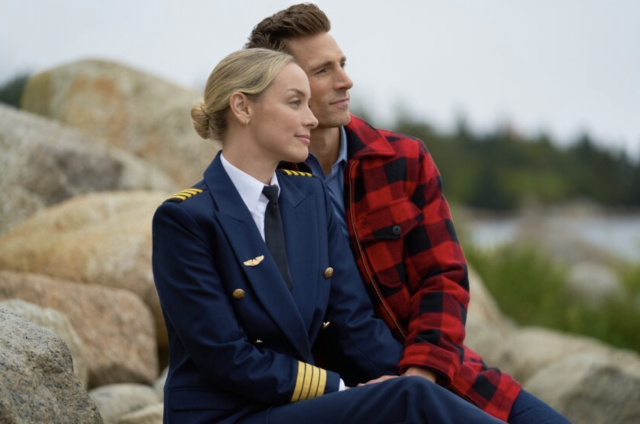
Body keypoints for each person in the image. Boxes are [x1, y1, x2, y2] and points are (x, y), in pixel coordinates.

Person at [245, 4, 573, 424]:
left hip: (432, 369)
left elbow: (443, 279)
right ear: (284, 86)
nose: (346, 80)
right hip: (331, 395)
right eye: (323, 71)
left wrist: (418, 377)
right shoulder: (261, 183)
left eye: (342, 64)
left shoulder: (402, 159)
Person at [152, 48, 507, 424]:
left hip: (295, 409)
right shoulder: (185, 219)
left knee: (414, 396)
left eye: (309, 103)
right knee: (408, 399)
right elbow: (227, 356)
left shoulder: (310, 197)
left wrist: (407, 381)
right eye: (295, 102)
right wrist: (343, 389)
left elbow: (351, 321)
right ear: (242, 108)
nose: (311, 117)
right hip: (227, 415)